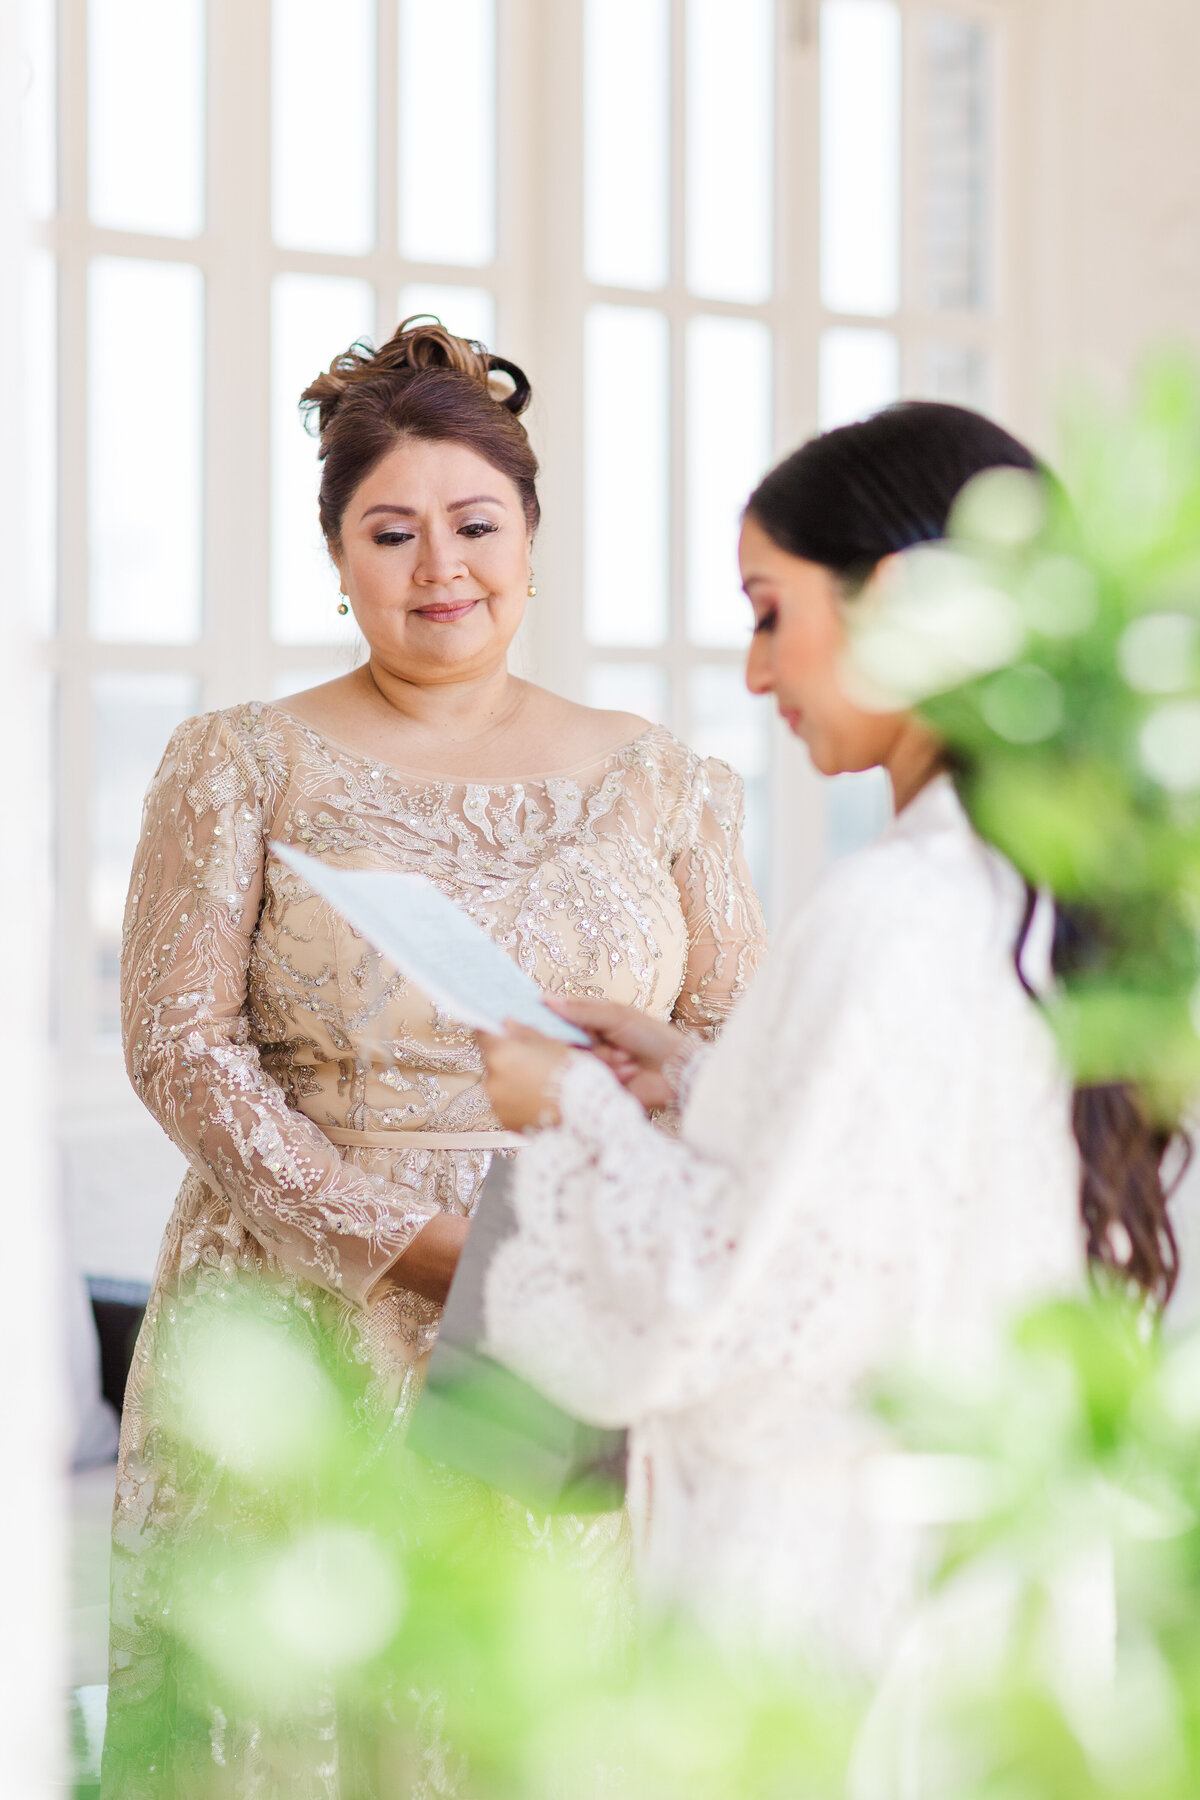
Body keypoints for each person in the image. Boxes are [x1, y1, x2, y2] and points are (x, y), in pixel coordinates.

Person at [101, 318, 766, 1797]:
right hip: (299, 1315)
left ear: (531, 537)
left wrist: (620, 1128)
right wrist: (405, 1242)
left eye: (475, 524)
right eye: (390, 532)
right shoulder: (241, 762)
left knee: (537, 1717)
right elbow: (178, 1047)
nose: (439, 567)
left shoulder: (665, 779)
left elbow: (739, 1040)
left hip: (564, 1305)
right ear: (336, 554)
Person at [477, 401, 1181, 1674]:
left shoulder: (894, 907)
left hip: (831, 1594)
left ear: (899, 599)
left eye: (768, 611)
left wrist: (565, 1114)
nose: (754, 674)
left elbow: (735, 1312)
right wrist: (695, 1076)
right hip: (986, 1577)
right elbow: (901, 1182)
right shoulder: (1032, 893)